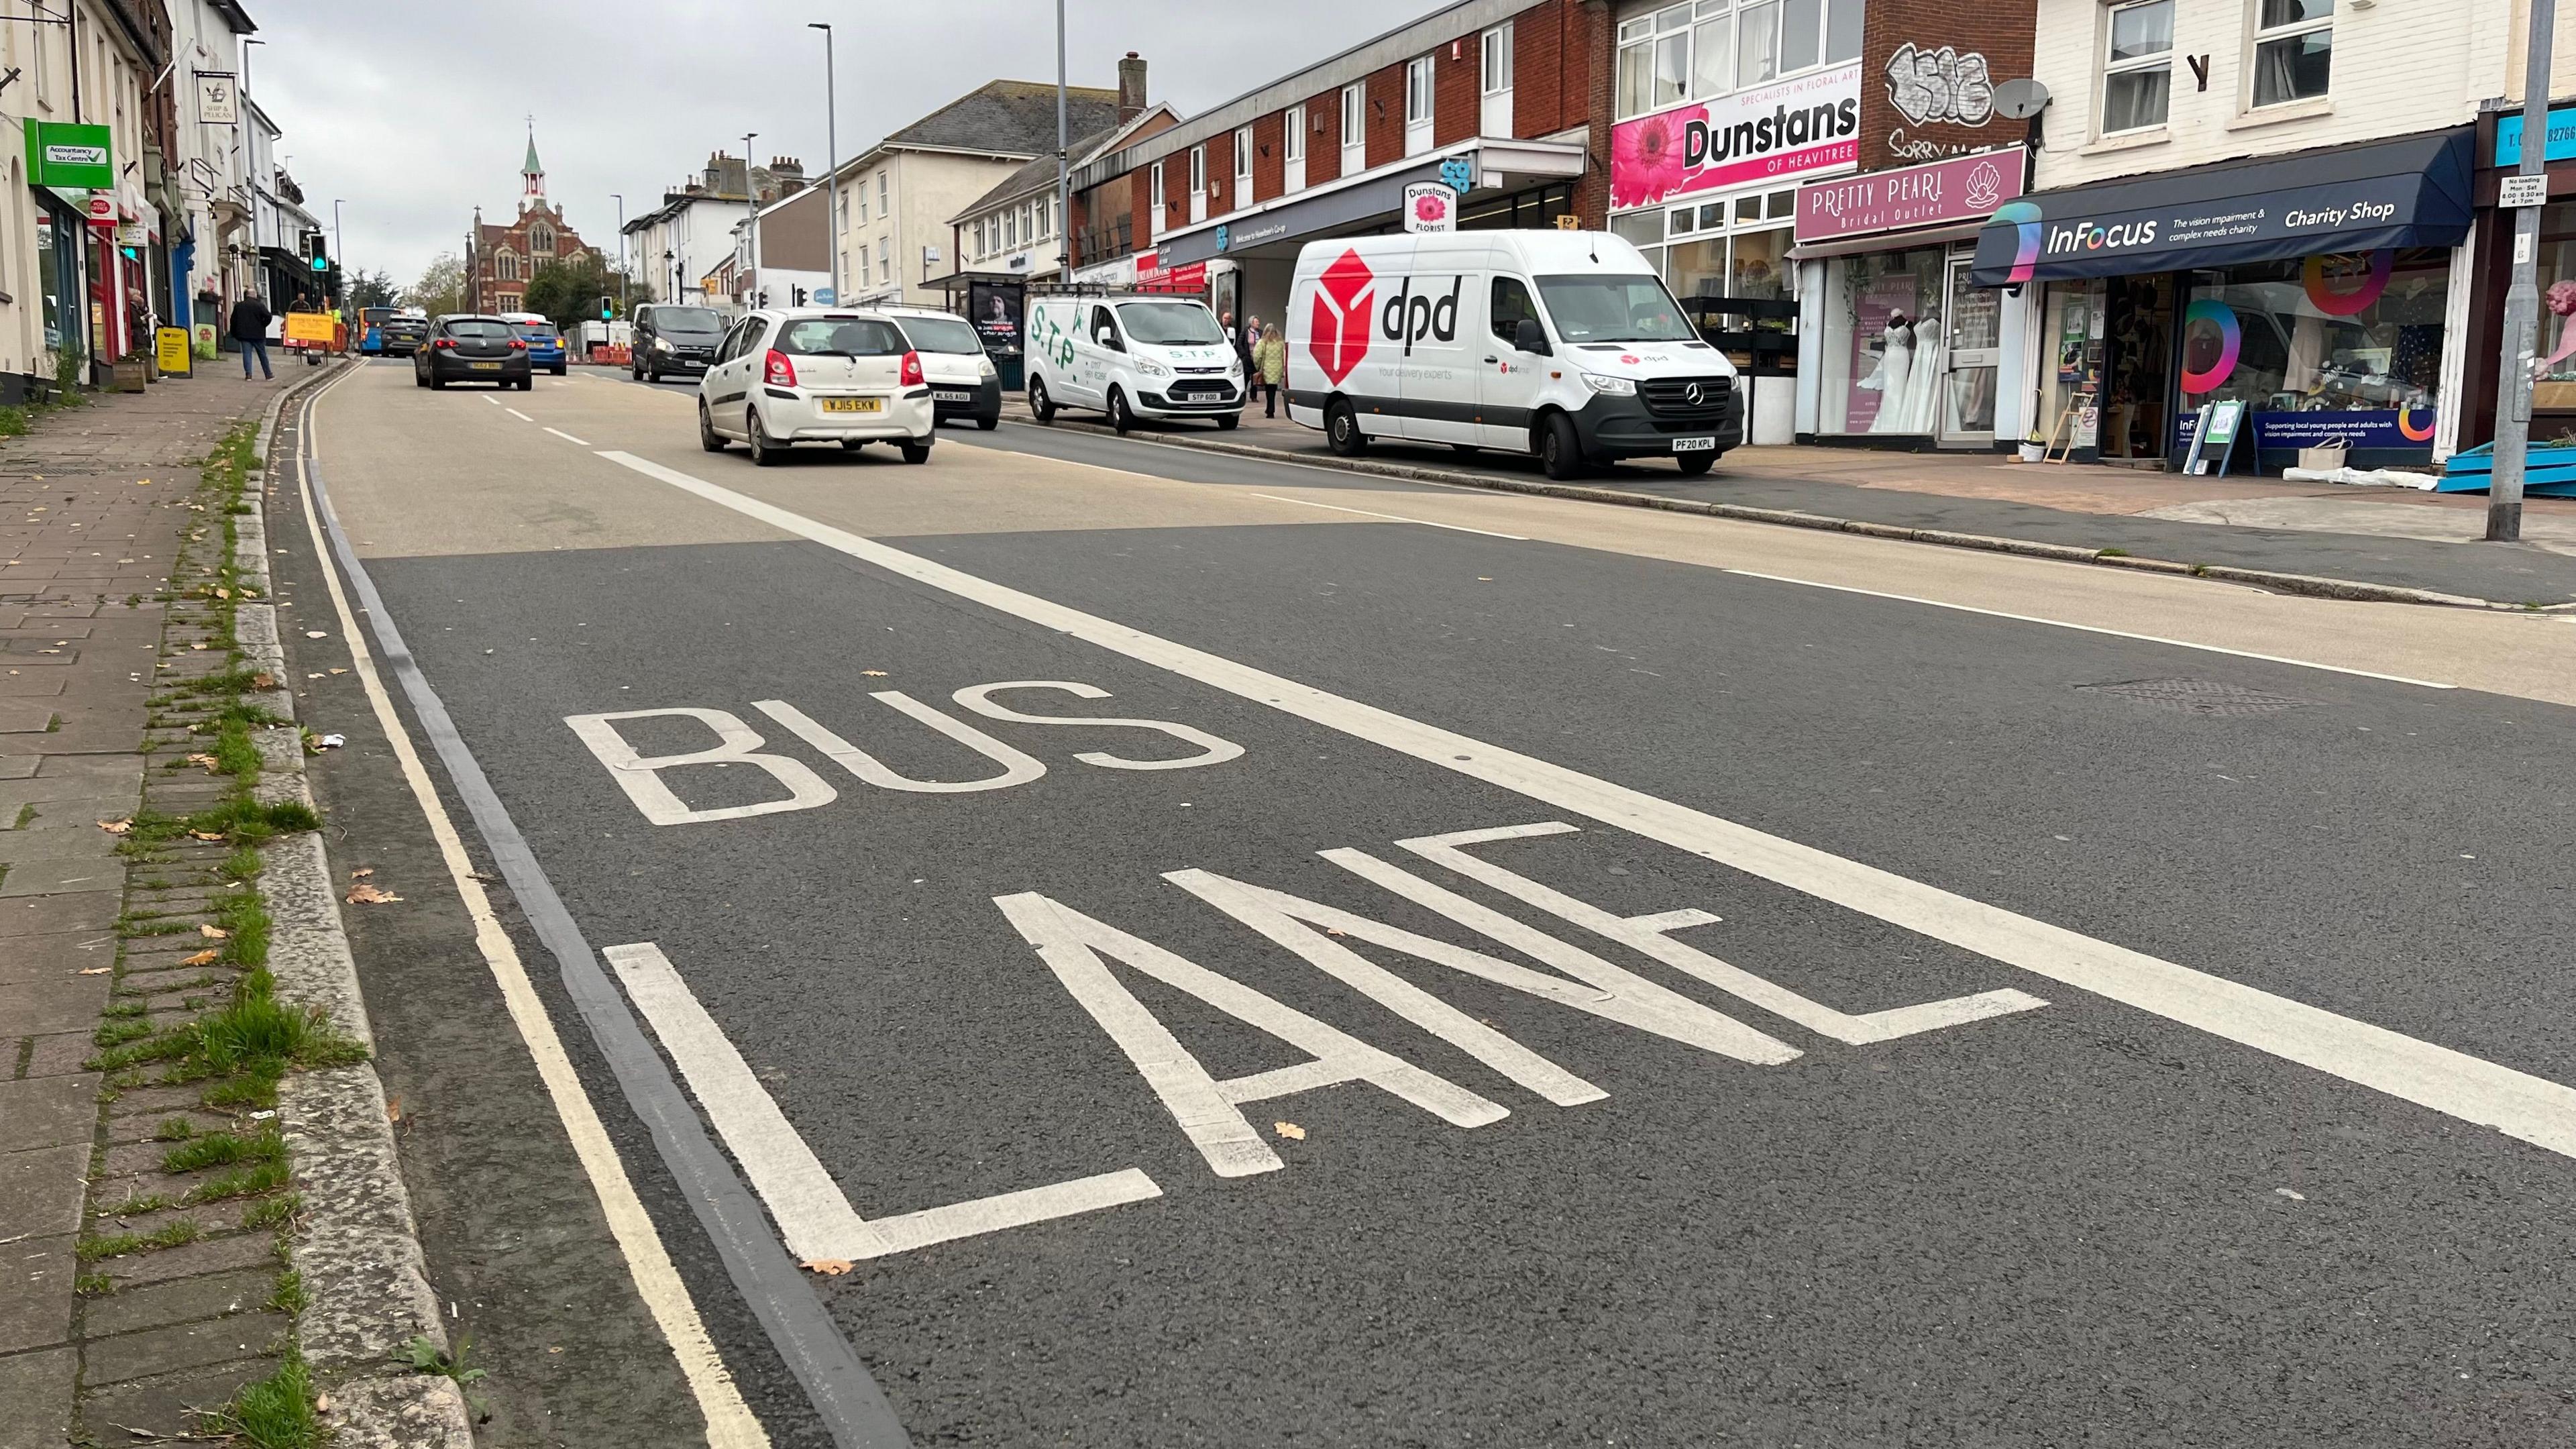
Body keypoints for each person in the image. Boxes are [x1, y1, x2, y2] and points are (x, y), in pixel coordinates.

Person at [229, 288, 272, 380]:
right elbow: (269, 316)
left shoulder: (239, 306)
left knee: (247, 354)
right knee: (262, 354)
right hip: (258, 334)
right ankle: (268, 375)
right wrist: (263, 325)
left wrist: (234, 333)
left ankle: (248, 375)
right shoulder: (259, 305)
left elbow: (233, 321)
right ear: (254, 295)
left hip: (244, 335)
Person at [1254, 322, 1285, 419]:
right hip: (1277, 369)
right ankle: (1270, 409)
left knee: (1268, 391)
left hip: (1267, 369)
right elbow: (1284, 355)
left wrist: (1258, 367)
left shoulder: (1263, 342)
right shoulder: (1280, 342)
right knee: (1273, 390)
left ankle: (1270, 411)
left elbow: (1257, 356)